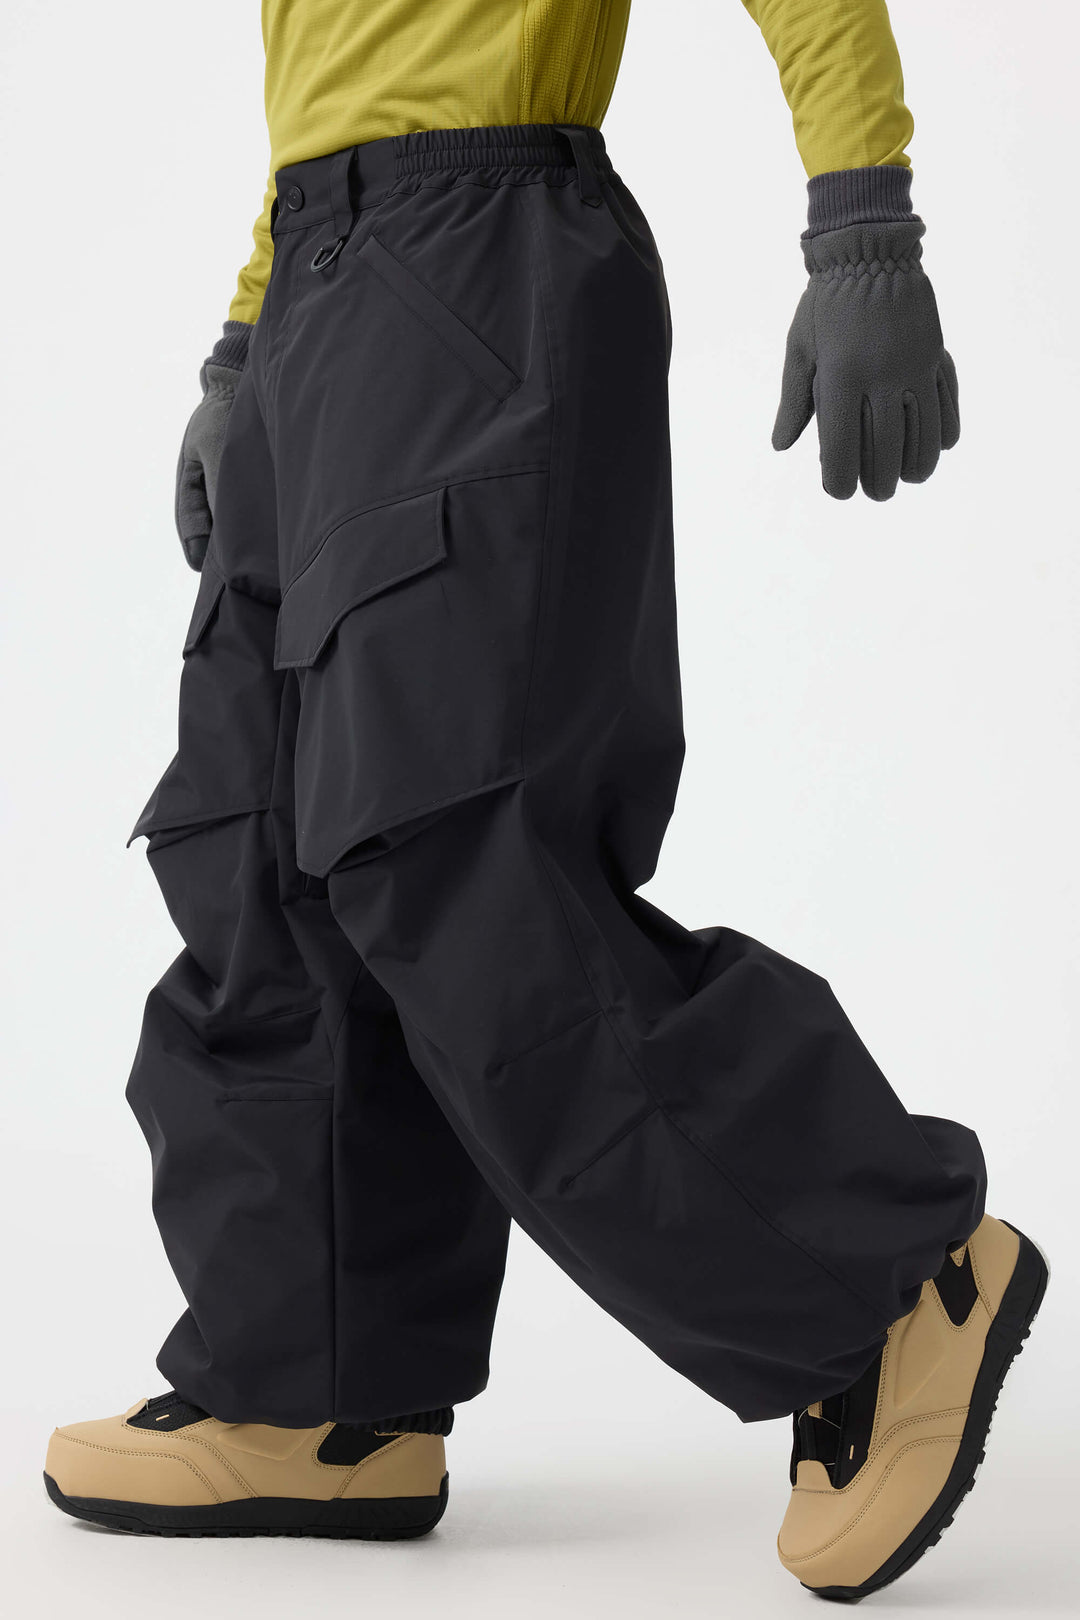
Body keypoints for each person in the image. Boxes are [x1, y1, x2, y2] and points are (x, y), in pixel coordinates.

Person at [44, 0, 1047, 1599]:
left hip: (480, 264)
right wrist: (247, 341)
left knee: (451, 852)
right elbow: (339, 70)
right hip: (320, 282)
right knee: (255, 832)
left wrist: (861, 221)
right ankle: (319, 1393)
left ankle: (889, 1292)